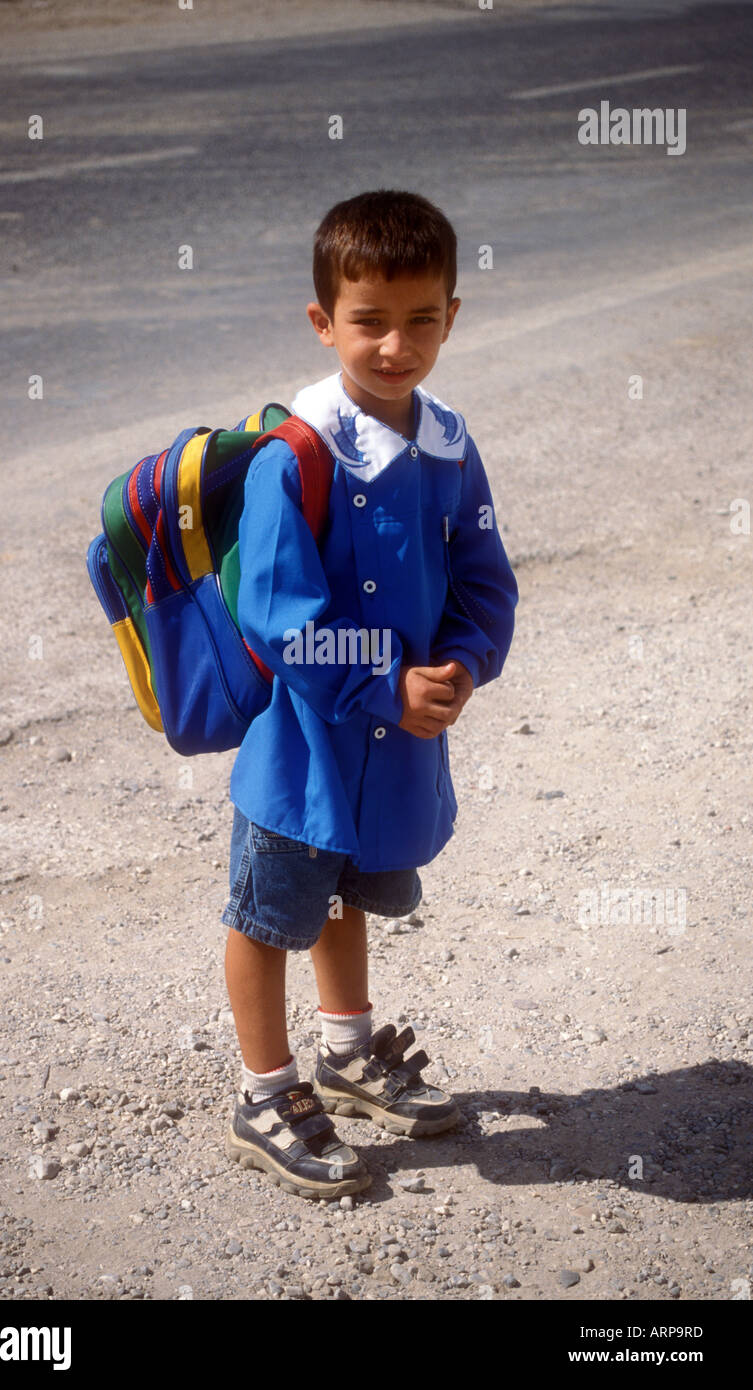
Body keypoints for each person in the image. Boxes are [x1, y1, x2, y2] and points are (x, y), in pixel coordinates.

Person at [221, 189, 518, 1199]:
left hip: (395, 741)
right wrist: (379, 680)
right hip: (303, 747)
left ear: (451, 313)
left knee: (348, 890)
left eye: (420, 318)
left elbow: (483, 575)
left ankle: (346, 1053)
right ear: (322, 321)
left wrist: (463, 664)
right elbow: (276, 613)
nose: (395, 345)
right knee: (268, 913)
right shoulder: (293, 454)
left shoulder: (446, 443)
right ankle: (265, 1090)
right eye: (368, 321)